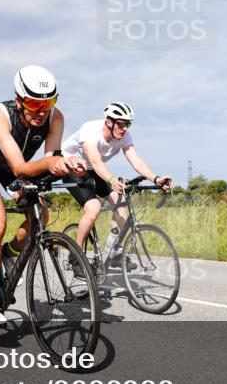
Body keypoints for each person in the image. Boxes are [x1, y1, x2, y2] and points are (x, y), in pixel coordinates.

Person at [0, 66, 85, 326]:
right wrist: (52, 163)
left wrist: (66, 162)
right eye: (33, 103)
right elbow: (21, 168)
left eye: (48, 103)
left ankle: (8, 254)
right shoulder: (0, 114)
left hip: (17, 168)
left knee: (40, 215)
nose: (42, 111)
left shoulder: (55, 118)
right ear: (19, 100)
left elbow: (49, 159)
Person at [62, 102, 171, 265]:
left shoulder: (125, 136)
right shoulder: (90, 130)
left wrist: (156, 178)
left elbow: (136, 161)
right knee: (94, 208)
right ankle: (75, 255)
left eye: (128, 124)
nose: (125, 128)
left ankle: (113, 250)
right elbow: (94, 160)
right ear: (109, 122)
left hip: (94, 170)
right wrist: (112, 180)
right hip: (72, 167)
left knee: (121, 204)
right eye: (121, 124)